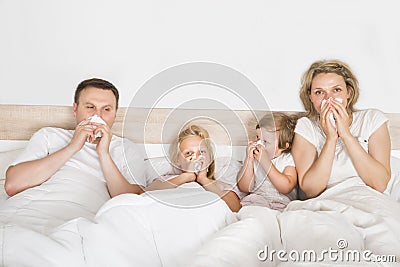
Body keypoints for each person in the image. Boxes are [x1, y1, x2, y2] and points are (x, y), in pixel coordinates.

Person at [2, 78, 145, 231]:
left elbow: (130, 203)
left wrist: (104, 154)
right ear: (75, 109)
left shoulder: (126, 149)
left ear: (115, 114)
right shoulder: (49, 136)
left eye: (106, 109)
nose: (97, 116)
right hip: (28, 211)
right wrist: (73, 147)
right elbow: (12, 186)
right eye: (90, 107)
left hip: (82, 218)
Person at [292, 59, 391, 198]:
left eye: (336, 90)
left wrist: (346, 135)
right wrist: (331, 139)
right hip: (327, 203)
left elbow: (380, 184)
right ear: (311, 97)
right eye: (319, 92)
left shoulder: (372, 120)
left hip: (369, 200)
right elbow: (311, 190)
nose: (329, 98)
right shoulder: (306, 128)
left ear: (348, 92)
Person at [144, 125, 242, 212]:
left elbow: (235, 208)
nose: (196, 157)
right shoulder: (167, 180)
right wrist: (187, 176)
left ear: (210, 158)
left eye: (202, 152)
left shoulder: (220, 185)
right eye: (188, 153)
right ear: (178, 160)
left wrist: (203, 180)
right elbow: (146, 193)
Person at [237, 112, 298, 211]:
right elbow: (245, 188)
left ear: (283, 146)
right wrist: (249, 160)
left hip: (280, 203)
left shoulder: (287, 159)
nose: (258, 143)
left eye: (265, 141)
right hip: (257, 200)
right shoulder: (254, 157)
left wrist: (266, 162)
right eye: (257, 138)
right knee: (247, 210)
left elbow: (286, 187)